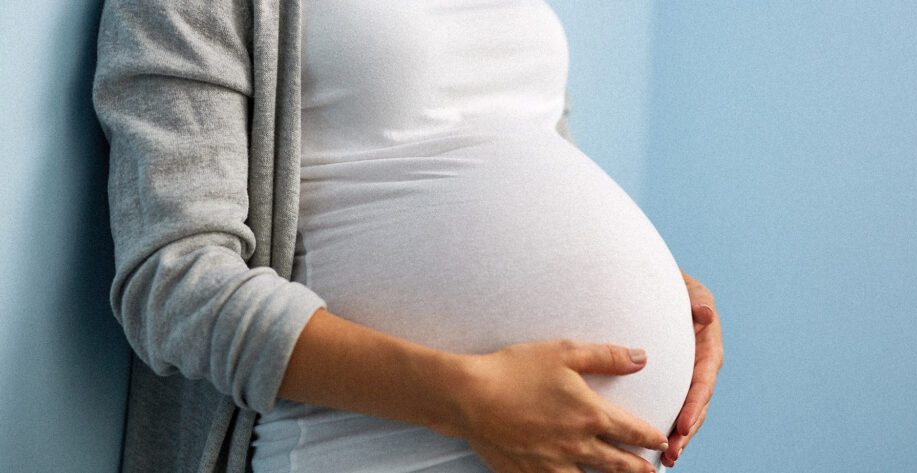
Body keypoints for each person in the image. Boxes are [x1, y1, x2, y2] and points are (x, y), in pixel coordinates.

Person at [91, 1, 723, 472]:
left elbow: (518, 152)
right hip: (364, 446)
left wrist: (668, 296)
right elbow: (175, 283)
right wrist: (465, 399)